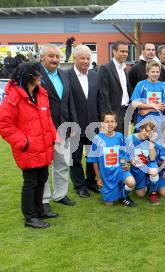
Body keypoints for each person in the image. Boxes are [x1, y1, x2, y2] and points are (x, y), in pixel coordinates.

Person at [0, 63, 58, 228]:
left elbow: (47, 119)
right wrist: (24, 143)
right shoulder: (13, 98)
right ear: (28, 76)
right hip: (28, 149)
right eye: (37, 74)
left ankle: (39, 210)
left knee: (42, 178)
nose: (41, 76)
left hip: (43, 146)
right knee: (30, 181)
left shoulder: (41, 94)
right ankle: (30, 217)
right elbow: (4, 125)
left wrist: (53, 138)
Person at [38, 44, 77, 211]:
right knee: (44, 166)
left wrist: (73, 123)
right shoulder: (36, 76)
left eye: (57, 56)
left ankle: (60, 195)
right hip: (44, 129)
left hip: (64, 128)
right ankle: (44, 199)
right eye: (51, 56)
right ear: (42, 58)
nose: (55, 59)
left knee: (62, 163)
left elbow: (69, 101)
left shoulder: (63, 74)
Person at [67, 45, 101, 198]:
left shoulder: (95, 75)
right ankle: (79, 186)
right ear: (75, 59)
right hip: (74, 125)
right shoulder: (66, 75)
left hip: (93, 125)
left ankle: (91, 181)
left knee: (92, 155)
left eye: (88, 58)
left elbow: (98, 99)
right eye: (83, 58)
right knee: (75, 157)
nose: (86, 61)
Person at [87, 111, 137, 207]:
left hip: (119, 170)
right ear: (102, 123)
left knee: (131, 182)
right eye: (107, 121)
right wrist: (98, 178)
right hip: (106, 175)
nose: (110, 124)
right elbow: (94, 161)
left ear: (116, 123)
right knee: (109, 204)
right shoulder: (97, 139)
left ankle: (124, 195)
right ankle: (116, 188)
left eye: (112, 121)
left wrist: (124, 164)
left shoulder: (119, 136)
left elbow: (123, 154)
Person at [99, 41, 133, 133]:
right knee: (114, 143)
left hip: (125, 111)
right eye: (122, 51)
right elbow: (104, 94)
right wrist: (109, 115)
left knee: (123, 141)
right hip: (113, 113)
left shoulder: (125, 69)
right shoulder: (105, 69)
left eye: (126, 52)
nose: (125, 54)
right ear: (114, 51)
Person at [125, 120, 160, 204]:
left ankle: (153, 193)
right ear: (141, 128)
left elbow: (152, 158)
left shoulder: (151, 140)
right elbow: (125, 155)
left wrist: (151, 142)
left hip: (148, 164)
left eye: (150, 133)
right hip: (138, 168)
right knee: (141, 194)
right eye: (146, 131)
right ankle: (148, 182)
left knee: (154, 171)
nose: (147, 134)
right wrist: (131, 160)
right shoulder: (130, 139)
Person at [130, 60, 165, 131]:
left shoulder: (163, 86)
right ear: (147, 72)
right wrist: (154, 106)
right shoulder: (141, 84)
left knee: (156, 141)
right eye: (153, 72)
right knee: (142, 141)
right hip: (143, 121)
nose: (155, 74)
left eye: (157, 72)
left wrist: (148, 110)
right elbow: (134, 104)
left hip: (158, 122)